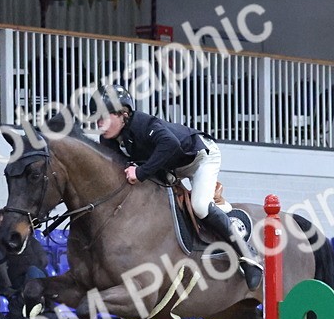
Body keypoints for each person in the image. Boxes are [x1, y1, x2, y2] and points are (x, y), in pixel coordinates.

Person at [91, 85, 262, 290]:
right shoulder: (108, 141)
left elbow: (171, 145)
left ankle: (248, 255)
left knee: (200, 206)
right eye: (97, 119)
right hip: (170, 165)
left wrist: (141, 172)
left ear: (123, 114)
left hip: (199, 157)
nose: (100, 124)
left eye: (104, 117)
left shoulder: (143, 124)